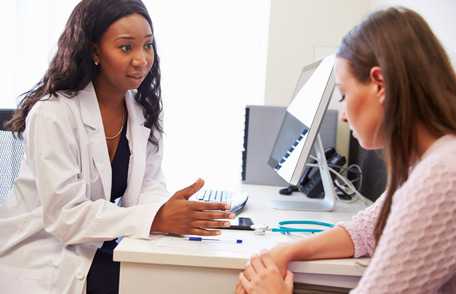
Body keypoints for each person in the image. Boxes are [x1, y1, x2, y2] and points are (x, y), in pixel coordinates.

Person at [0, 1, 234, 293]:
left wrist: (168, 209)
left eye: (148, 46)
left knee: (179, 275)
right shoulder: (53, 114)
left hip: (96, 245)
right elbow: (65, 217)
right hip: (43, 255)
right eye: (126, 48)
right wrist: (156, 218)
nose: (142, 59)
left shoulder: (142, 109)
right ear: (95, 51)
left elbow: (149, 184)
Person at [236, 7, 456, 294]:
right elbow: (367, 231)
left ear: (380, 84)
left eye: (344, 94)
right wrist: (286, 251)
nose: (342, 114)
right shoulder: (428, 162)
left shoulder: (441, 175)